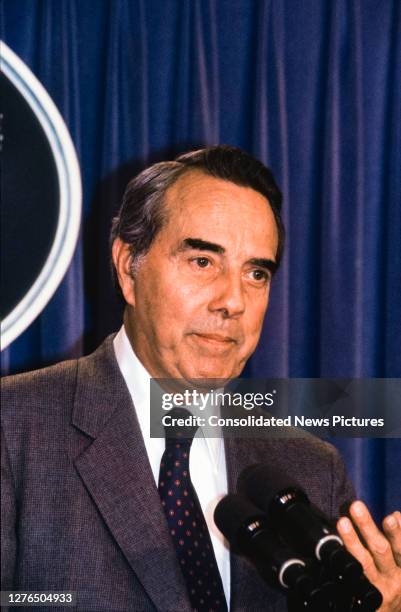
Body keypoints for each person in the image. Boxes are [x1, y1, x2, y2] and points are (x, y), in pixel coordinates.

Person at [1, 146, 400, 611]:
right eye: (203, 262)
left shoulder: (310, 468)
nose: (233, 301)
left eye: (256, 273)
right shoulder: (14, 430)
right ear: (129, 267)